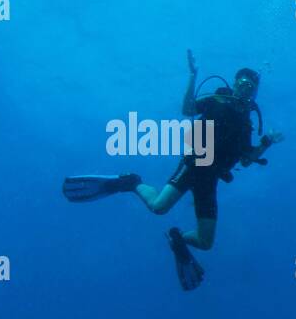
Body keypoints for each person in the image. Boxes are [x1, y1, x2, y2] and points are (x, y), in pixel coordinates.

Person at [62, 50, 283, 290]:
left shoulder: (247, 125)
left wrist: (266, 142)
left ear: (255, 93)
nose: (245, 90)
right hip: (193, 165)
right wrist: (193, 75)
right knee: (159, 207)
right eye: (242, 84)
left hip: (210, 181)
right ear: (234, 84)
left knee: (205, 242)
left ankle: (178, 238)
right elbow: (187, 109)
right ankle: (131, 182)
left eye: (251, 87)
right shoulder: (216, 101)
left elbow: (247, 161)